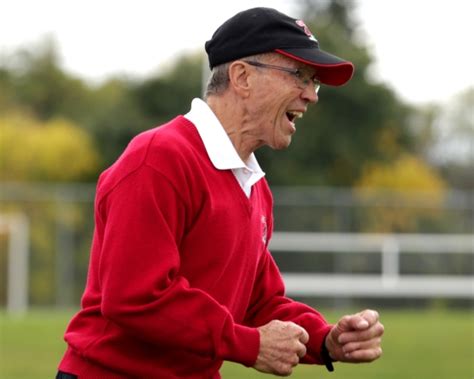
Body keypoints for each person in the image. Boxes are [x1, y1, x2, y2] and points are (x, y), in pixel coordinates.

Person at [56, 7, 384, 379]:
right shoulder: (158, 159)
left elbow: (259, 302)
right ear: (242, 77)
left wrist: (324, 340)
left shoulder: (253, 183)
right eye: (300, 76)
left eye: (314, 82)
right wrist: (247, 345)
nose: (311, 95)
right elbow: (135, 297)